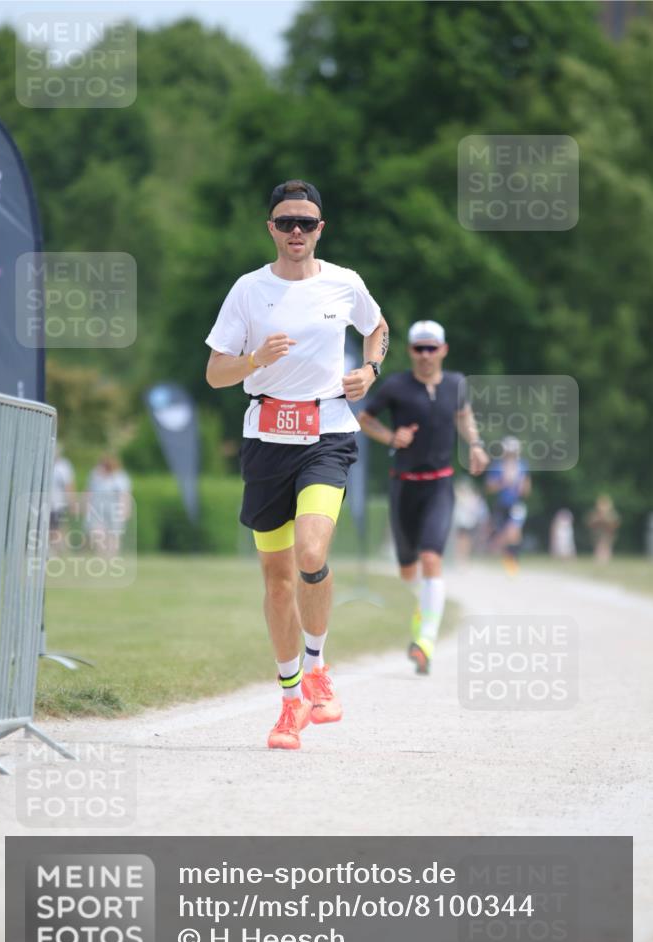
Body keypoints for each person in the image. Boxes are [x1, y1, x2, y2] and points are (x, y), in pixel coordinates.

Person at [205, 179, 388, 750]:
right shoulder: (247, 291)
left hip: (327, 433)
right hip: (265, 438)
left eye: (305, 223)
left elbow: (377, 329)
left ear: (319, 229)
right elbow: (215, 373)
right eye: (285, 223)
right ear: (271, 228)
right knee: (277, 583)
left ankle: (316, 665)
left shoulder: (345, 283)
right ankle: (290, 706)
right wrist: (254, 359)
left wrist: (371, 371)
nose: (295, 233)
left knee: (312, 553)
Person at [358, 320, 489, 674]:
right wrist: (390, 437)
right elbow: (365, 418)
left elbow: (464, 415)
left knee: (432, 558)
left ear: (444, 350)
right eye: (420, 348)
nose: (427, 355)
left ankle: (425, 641)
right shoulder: (397, 386)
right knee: (407, 569)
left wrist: (475, 445)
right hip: (404, 484)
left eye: (433, 348)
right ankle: (424, 605)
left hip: (439, 485)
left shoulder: (456, 384)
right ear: (411, 351)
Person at [485, 436, 531, 574]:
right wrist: (503, 482)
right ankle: (508, 560)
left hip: (516, 504)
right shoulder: (497, 466)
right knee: (504, 534)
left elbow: (527, 490)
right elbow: (489, 487)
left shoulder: (522, 466)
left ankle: (514, 562)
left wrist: (521, 485)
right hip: (501, 504)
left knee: (514, 532)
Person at [85, 455, 133, 556]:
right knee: (97, 532)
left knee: (113, 534)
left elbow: (124, 495)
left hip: (114, 509)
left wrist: (125, 510)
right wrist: (86, 505)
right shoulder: (95, 475)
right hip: (97, 508)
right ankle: (101, 553)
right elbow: (89, 491)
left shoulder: (120, 477)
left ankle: (111, 555)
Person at [49, 441, 76, 553]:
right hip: (45, 503)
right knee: (48, 528)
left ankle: (59, 549)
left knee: (56, 528)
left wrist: (72, 502)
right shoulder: (45, 464)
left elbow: (68, 485)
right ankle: (54, 549)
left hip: (58, 503)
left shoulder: (63, 467)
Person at [586, 494, 620, 562]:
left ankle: (605, 559)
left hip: (608, 534)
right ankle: (599, 559)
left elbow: (615, 524)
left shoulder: (611, 514)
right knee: (599, 546)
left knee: (606, 546)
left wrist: (606, 521)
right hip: (597, 534)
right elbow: (590, 523)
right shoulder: (595, 513)